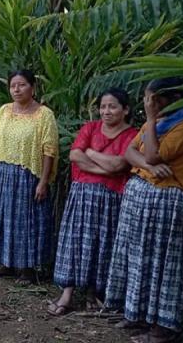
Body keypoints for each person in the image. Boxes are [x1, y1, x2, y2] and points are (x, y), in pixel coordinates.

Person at [104, 78, 183, 343]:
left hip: (168, 204)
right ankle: (137, 314)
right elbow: (130, 152)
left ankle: (163, 328)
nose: (148, 104)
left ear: (170, 98)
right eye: (147, 100)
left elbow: (153, 154)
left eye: (151, 99)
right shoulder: (156, 122)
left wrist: (150, 127)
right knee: (138, 259)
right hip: (142, 200)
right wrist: (149, 166)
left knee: (163, 263)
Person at [46, 88, 138, 316]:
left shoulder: (133, 135)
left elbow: (120, 165)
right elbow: (75, 156)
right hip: (82, 195)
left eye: (112, 106)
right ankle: (66, 294)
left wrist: (91, 153)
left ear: (125, 110)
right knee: (74, 243)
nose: (106, 111)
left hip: (111, 200)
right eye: (103, 106)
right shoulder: (90, 128)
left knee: (102, 245)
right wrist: (105, 167)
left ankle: (93, 294)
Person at [0, 69, 59, 284]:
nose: (16, 89)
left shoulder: (44, 114)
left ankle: (26, 269)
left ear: (32, 87)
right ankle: (5, 263)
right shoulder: (4, 110)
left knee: (26, 222)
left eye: (22, 84)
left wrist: (43, 181)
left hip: (27, 177)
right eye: (13, 85)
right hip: (0, 175)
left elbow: (49, 150)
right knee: (2, 220)